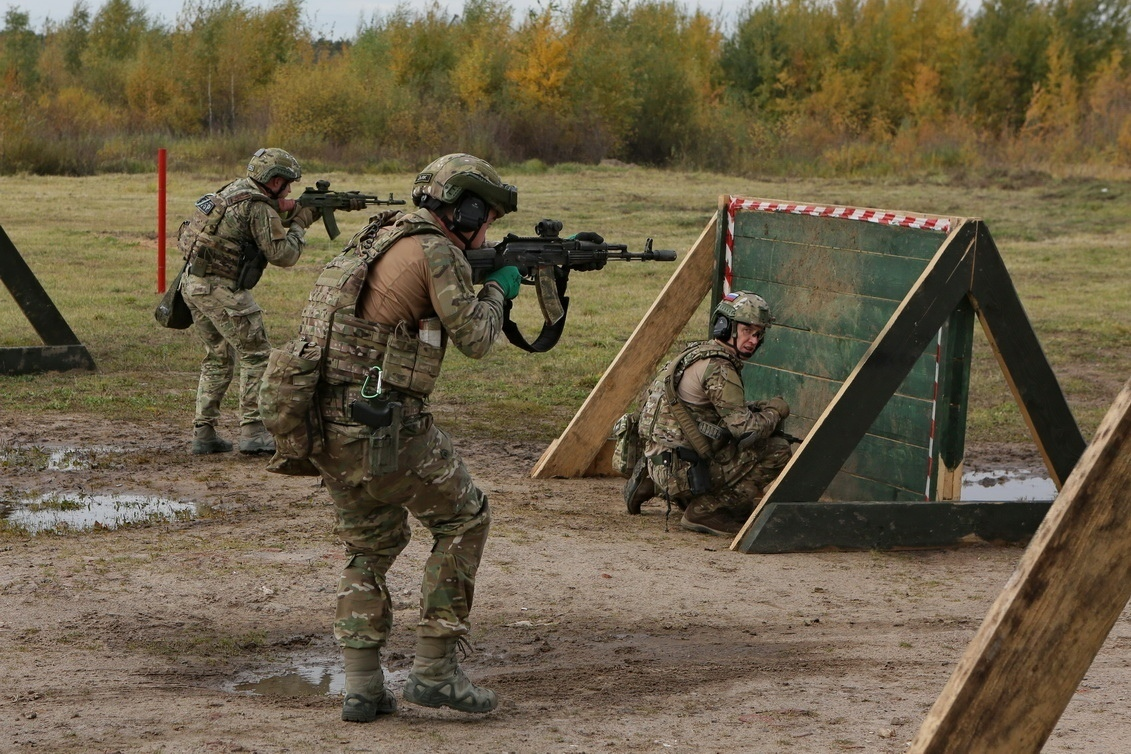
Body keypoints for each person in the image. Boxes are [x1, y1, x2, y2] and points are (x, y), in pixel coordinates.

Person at [292, 153, 519, 722]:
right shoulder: (438, 249)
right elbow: (474, 338)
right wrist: (499, 291)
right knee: (465, 518)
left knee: (369, 547)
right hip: (384, 426)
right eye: (484, 217)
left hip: (326, 422)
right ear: (463, 209)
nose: (486, 230)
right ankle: (435, 671)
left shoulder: (381, 234)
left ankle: (363, 686)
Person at [179, 147, 321, 455]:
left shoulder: (234, 190)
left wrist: (290, 208)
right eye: (287, 182)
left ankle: (204, 433)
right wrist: (301, 222)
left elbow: (262, 213)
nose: (290, 188)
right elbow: (284, 255)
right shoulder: (258, 206)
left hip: (193, 284)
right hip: (221, 291)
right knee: (257, 355)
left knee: (217, 358)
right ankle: (254, 431)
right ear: (273, 181)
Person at [625, 291, 794, 537]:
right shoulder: (719, 368)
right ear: (725, 326)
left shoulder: (694, 353)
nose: (753, 340)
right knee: (777, 449)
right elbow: (747, 432)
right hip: (681, 470)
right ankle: (705, 510)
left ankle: (649, 481)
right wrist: (775, 412)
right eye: (747, 330)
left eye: (758, 334)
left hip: (658, 458)